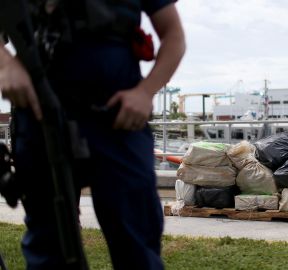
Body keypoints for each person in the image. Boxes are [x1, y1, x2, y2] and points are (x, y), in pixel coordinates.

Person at [0, 0, 185, 269]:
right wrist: (5, 65)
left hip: (118, 120)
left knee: (136, 243)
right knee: (49, 246)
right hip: (41, 120)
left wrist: (146, 92)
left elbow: (174, 34)